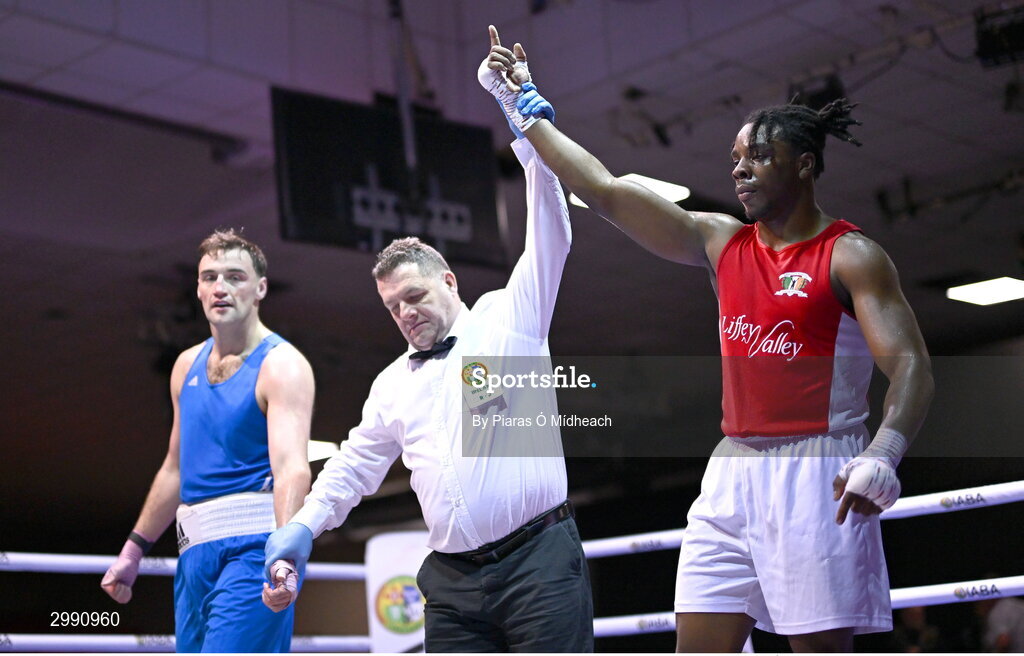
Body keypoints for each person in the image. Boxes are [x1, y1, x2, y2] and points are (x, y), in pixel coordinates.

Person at [480, 25, 934, 653]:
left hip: (817, 468)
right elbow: (607, 192)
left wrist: (883, 452)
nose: (740, 170)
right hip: (731, 471)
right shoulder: (721, 242)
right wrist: (522, 107)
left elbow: (912, 366)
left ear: (804, 165)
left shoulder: (850, 256)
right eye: (735, 161)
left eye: (757, 157)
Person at [262, 111, 594, 652]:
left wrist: (530, 135)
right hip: (452, 582)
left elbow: (549, 240)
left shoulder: (507, 320)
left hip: (538, 562)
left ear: (449, 280)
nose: (406, 313)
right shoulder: (392, 384)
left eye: (414, 297)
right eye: (393, 307)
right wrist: (304, 525)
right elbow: (353, 466)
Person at [101, 229, 315, 653]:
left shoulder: (282, 366)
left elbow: (292, 466)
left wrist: (286, 556)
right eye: (210, 277)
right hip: (194, 557)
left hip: (254, 552)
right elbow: (175, 468)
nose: (221, 287)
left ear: (260, 289)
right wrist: (133, 549)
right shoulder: (185, 367)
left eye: (235, 276)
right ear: (198, 289)